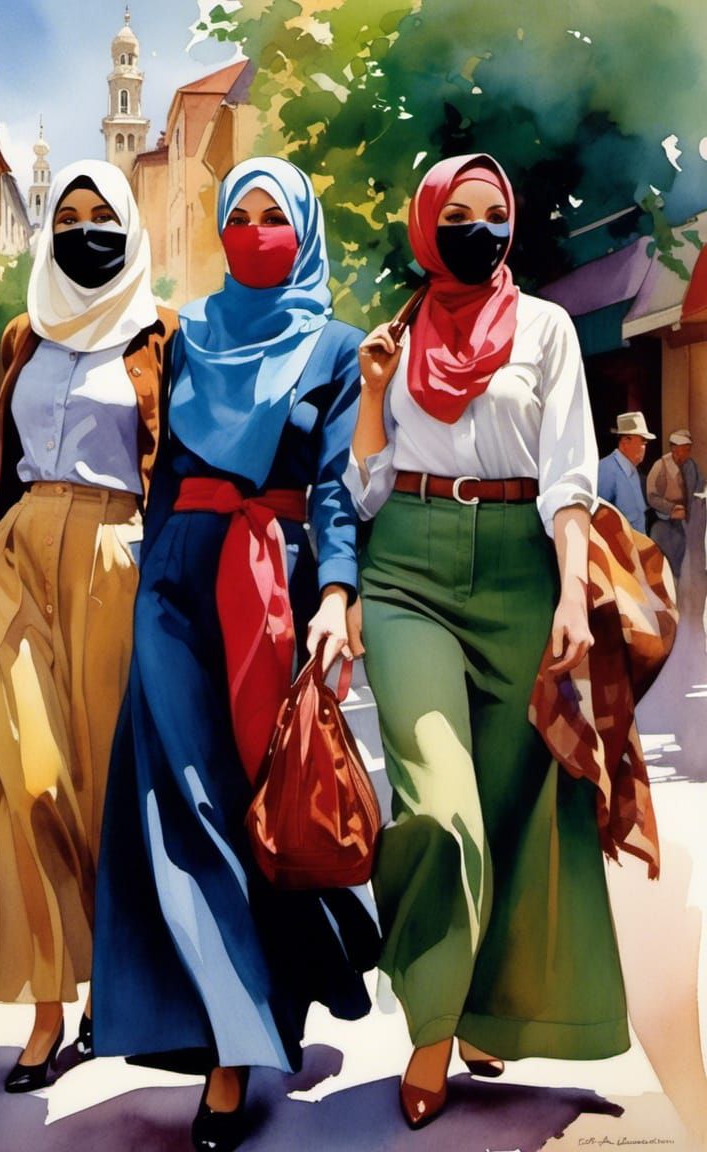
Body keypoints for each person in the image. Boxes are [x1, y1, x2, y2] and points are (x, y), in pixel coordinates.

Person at [91, 156, 379, 1152]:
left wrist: (336, 595)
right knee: (178, 803)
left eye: (274, 216)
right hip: (175, 581)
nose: (255, 231)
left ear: (302, 228)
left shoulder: (336, 348)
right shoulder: (187, 342)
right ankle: (219, 1049)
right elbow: (165, 469)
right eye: (239, 216)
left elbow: (337, 485)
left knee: (266, 801)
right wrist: (147, 575)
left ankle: (269, 1000)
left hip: (276, 588)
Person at [346, 153, 629, 1129]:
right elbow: (364, 490)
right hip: (407, 571)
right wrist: (375, 393)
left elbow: (565, 472)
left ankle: (489, 1009)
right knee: (443, 811)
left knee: (518, 809)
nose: (478, 228)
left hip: (519, 567)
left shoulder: (545, 329)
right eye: (456, 213)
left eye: (492, 213)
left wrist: (564, 596)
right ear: (427, 225)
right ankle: (431, 1029)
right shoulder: (395, 335)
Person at [0, 159, 176, 1093]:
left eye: (101, 215)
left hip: (120, 553)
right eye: (68, 215)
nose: (83, 230)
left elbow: (178, 452)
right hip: (22, 552)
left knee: (103, 778)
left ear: (127, 227)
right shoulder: (21, 333)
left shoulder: (162, 335)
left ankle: (101, 995)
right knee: (30, 776)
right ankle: (46, 1010)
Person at [647, 429, 700, 580]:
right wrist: (671, 508)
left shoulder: (691, 466)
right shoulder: (660, 466)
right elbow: (652, 496)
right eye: (686, 449)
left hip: (684, 521)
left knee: (683, 561)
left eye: (689, 449)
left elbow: (698, 485)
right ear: (675, 449)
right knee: (665, 563)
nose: (688, 453)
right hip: (664, 522)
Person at [596, 410, 654, 533]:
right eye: (642, 441)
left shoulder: (633, 471)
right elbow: (598, 521)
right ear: (625, 442)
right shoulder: (607, 470)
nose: (645, 446)